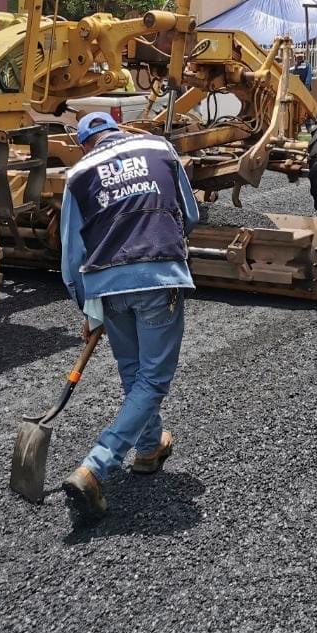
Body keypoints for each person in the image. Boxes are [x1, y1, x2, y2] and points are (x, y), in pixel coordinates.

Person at [58, 112, 200, 521]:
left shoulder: (79, 173)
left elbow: (71, 257)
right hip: (158, 276)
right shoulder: (159, 148)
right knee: (152, 379)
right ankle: (97, 465)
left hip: (108, 286)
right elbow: (188, 215)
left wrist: (89, 308)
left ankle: (149, 448)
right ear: (117, 131)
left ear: (86, 143)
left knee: (133, 370)